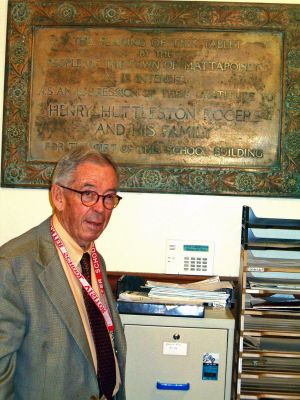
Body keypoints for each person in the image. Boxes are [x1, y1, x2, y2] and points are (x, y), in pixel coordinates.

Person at [0, 146, 126, 400]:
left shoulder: (93, 258)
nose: (101, 209)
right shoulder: (14, 265)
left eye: (109, 197)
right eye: (88, 194)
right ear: (58, 196)